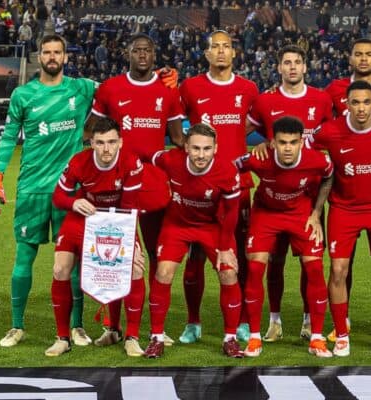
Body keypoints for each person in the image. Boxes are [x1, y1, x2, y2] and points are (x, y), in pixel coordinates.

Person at [0, 34, 97, 348]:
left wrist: (158, 84)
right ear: (40, 57)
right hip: (32, 188)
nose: (52, 57)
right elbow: (9, 137)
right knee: (24, 256)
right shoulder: (23, 95)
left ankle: (76, 326)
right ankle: (16, 326)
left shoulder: (82, 88)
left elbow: (121, 90)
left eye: (57, 52)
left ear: (66, 57)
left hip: (70, 191)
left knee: (73, 262)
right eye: (46, 52)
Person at [84, 33, 185, 348]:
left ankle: (157, 328)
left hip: (153, 186)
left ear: (154, 55)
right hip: (114, 187)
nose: (142, 54)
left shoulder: (168, 91)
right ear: (127, 52)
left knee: (156, 256)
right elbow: (91, 131)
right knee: (113, 257)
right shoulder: (111, 88)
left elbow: (178, 139)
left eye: (148, 50)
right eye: (137, 49)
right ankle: (113, 328)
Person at [45, 117, 170, 357]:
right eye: (100, 142)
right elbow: (58, 197)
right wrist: (74, 202)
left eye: (112, 142)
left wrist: (132, 244)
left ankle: (130, 336)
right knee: (60, 269)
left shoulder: (131, 163)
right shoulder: (78, 162)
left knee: (134, 267)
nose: (106, 149)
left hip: (118, 219)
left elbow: (130, 207)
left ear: (120, 142)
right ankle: (62, 338)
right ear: (91, 143)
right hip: (83, 217)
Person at [310, 80, 371, 357]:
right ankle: (341, 335)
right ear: (346, 105)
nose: (361, 108)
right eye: (355, 103)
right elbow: (303, 147)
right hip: (343, 209)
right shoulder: (330, 130)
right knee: (338, 271)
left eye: (366, 102)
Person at [246, 44, 333, 342]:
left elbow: (334, 135)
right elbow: (238, 130)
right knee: (275, 263)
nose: (293, 67)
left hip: (307, 199)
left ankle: (310, 321)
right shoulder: (265, 101)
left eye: (297, 62)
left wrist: (318, 212)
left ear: (305, 67)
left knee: (311, 264)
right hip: (272, 197)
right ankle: (275, 320)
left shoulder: (321, 99)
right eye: (287, 62)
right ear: (279, 68)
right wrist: (258, 145)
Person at [177, 30, 258, 344]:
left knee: (241, 257)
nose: (221, 52)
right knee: (194, 257)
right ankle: (193, 322)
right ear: (206, 53)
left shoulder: (248, 89)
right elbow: (175, 123)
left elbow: (259, 123)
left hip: (239, 186)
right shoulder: (191, 87)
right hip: (198, 187)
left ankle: (243, 323)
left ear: (234, 53)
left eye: (227, 47)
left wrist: (248, 144)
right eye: (215, 47)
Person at [144, 123, 244, 359]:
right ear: (186, 146)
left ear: (215, 148)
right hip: (176, 225)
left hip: (213, 227)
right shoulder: (170, 160)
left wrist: (225, 247)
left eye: (207, 149)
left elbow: (231, 212)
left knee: (228, 272)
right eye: (196, 148)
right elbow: (146, 157)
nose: (201, 154)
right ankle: (156, 337)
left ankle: (230, 338)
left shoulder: (227, 172)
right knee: (163, 272)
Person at [238, 116, 334, 358]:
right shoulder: (259, 159)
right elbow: (230, 168)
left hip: (300, 213)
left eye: (293, 142)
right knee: (256, 267)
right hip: (265, 214)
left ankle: (317, 339)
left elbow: (329, 176)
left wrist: (317, 211)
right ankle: (254, 338)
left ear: (302, 142)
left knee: (314, 269)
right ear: (272, 143)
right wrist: (235, 202)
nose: (288, 148)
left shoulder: (316, 160)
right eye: (282, 142)